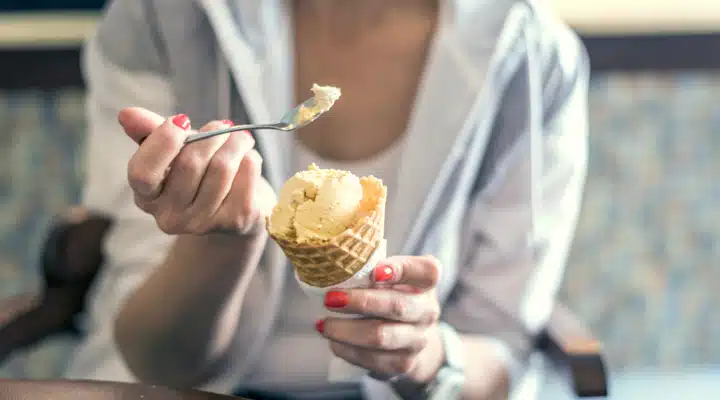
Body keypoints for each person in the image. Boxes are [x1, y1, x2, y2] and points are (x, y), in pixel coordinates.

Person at [64, 0, 589, 399]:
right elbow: (156, 363)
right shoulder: (164, 16)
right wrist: (226, 240)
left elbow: (503, 349)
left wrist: (426, 355)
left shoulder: (532, 55)